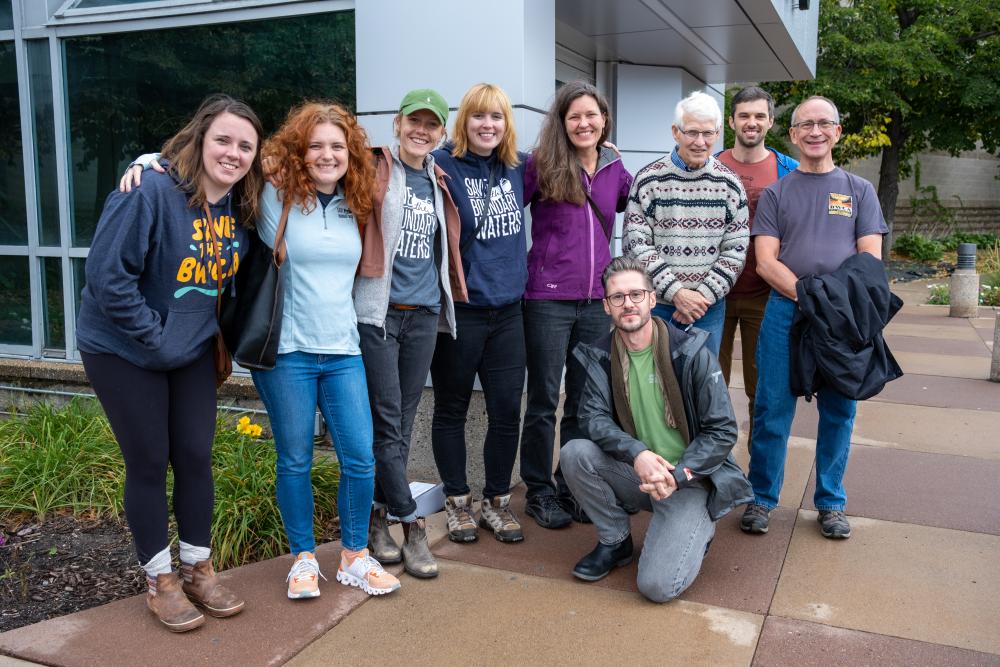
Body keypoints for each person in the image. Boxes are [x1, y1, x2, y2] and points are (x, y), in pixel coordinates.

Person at [121, 102, 401, 599]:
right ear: (300, 150)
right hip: (287, 352)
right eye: (316, 145)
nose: (327, 155)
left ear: (350, 153)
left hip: (343, 350)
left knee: (360, 458)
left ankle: (355, 556)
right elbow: (213, 167)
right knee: (294, 460)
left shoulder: (356, 201)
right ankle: (304, 560)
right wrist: (148, 159)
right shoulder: (273, 194)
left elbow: (406, 172)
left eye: (337, 146)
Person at [78, 94, 260, 632]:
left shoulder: (241, 211)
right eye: (223, 139)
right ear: (200, 138)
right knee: (151, 459)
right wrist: (154, 337)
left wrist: (186, 340)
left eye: (245, 145)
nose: (232, 152)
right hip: (123, 347)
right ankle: (160, 580)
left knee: (195, 454)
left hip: (192, 349)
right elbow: (107, 279)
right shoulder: (150, 191)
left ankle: (198, 567)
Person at [560, 257, 752, 602]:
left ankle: (696, 530)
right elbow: (593, 419)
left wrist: (678, 476)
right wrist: (638, 453)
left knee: (657, 587)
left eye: (636, 294)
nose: (628, 303)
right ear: (607, 307)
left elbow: (722, 431)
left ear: (651, 299)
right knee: (575, 453)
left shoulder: (692, 352)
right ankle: (615, 541)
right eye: (617, 297)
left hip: (690, 481)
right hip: (640, 473)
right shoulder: (601, 357)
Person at [740, 96, 888, 540]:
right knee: (771, 410)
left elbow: (869, 259)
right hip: (786, 314)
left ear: (838, 132)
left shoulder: (859, 190)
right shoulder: (776, 194)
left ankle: (830, 502)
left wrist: (829, 302)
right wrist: (808, 295)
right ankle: (762, 498)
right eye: (806, 124)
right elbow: (766, 261)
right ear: (793, 135)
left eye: (824, 124)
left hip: (842, 318)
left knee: (840, 411)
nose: (815, 131)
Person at [355, 89, 468, 579]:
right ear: (398, 123)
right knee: (387, 422)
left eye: (432, 125)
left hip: (423, 315)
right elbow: (296, 159)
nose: (421, 131)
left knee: (401, 421)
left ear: (442, 133)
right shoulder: (373, 168)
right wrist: (155, 160)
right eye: (414, 122)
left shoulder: (439, 180)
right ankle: (412, 525)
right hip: (379, 315)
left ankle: (378, 520)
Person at [519, 81, 633, 529]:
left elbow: (625, 203)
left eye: (592, 115)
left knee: (585, 400)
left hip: (595, 303)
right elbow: (506, 206)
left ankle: (572, 484)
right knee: (545, 398)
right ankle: (539, 491)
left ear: (604, 119)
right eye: (574, 117)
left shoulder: (613, 166)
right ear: (562, 123)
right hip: (547, 299)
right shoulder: (540, 165)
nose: (584, 123)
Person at [430, 83, 529, 543]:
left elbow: (572, 164)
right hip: (462, 311)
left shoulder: (519, 167)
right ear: (464, 121)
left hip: (509, 312)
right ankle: (456, 502)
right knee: (450, 407)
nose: (488, 125)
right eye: (479, 116)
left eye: (497, 117)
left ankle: (496, 502)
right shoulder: (442, 165)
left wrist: (600, 148)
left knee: (507, 410)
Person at [622, 91, 749, 357]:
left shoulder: (730, 185)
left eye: (708, 133)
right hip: (656, 306)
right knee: (654, 387)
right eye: (691, 132)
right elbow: (636, 245)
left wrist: (700, 297)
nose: (700, 142)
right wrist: (677, 293)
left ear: (717, 134)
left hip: (708, 309)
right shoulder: (648, 180)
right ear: (675, 132)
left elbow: (736, 251)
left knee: (702, 390)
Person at [715, 87, 798, 437]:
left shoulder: (788, 171)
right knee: (708, 386)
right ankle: (711, 469)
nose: (752, 122)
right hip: (712, 294)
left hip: (764, 294)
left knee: (762, 389)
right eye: (744, 115)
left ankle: (757, 479)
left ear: (771, 122)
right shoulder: (711, 163)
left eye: (759, 116)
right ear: (731, 120)